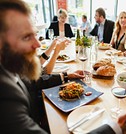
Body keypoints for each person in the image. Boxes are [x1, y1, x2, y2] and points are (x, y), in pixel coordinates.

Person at [0, 0, 84, 133]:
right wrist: (114, 128)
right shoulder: (6, 95)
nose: (38, 44)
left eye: (34, 34)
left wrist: (67, 75)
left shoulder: (11, 69)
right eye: (26, 37)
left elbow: (32, 79)